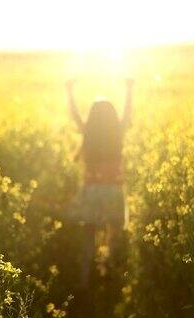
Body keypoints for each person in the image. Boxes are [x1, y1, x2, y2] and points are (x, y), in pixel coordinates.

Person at [66, 78, 134, 288]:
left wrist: (69, 92)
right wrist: (130, 89)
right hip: (113, 191)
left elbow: (75, 115)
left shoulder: (88, 131)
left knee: (89, 237)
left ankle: (84, 282)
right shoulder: (117, 132)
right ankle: (110, 279)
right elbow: (128, 114)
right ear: (112, 116)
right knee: (113, 237)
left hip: (91, 191)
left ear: (93, 117)